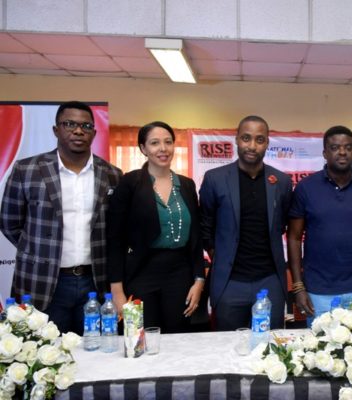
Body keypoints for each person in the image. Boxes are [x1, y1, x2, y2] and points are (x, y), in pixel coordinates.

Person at [0, 101, 122, 334]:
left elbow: (116, 230)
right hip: (44, 282)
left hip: (94, 282)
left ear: (94, 133)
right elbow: (9, 222)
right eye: (70, 124)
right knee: (42, 357)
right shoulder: (27, 170)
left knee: (96, 355)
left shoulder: (112, 175)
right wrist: (39, 250)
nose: (78, 131)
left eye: (86, 126)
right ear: (56, 130)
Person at [107, 121, 205, 333]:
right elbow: (114, 239)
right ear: (143, 148)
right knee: (141, 339)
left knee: (178, 338)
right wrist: (117, 291)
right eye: (154, 143)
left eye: (168, 142)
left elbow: (196, 238)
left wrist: (199, 280)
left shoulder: (187, 185)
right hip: (141, 273)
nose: (163, 148)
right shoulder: (130, 183)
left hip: (180, 274)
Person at [288, 125, 352, 323]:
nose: (342, 152)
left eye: (348, 147)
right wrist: (298, 287)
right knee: (319, 353)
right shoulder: (305, 188)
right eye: (335, 147)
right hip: (319, 293)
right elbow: (293, 238)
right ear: (325, 153)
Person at [199, 115, 292, 331]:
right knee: (228, 349)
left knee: (271, 350)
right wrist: (220, 256)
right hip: (230, 282)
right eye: (246, 138)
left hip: (270, 281)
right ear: (236, 140)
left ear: (267, 143)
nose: (252, 146)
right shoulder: (215, 178)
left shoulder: (282, 182)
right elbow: (206, 226)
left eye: (259, 140)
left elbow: (282, 225)